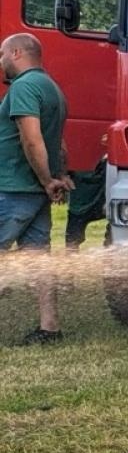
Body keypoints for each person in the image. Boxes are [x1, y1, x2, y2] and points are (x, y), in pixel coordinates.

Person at [0, 33, 72, 344]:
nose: (0, 61)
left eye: (2, 54)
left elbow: (32, 138)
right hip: (35, 193)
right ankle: (49, 328)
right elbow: (61, 143)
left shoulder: (23, 87)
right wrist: (59, 176)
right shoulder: (53, 88)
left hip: (13, 188)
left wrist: (47, 180)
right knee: (39, 258)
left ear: (15, 53)